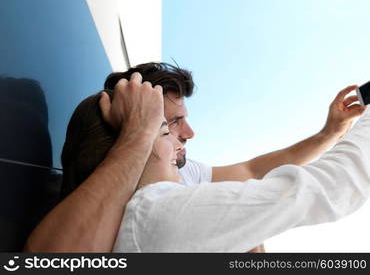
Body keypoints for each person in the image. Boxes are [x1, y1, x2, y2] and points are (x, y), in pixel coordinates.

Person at [24, 62, 362, 252]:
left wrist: (329, 133)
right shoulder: (151, 207)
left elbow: (252, 169)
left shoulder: (181, 173)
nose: (188, 133)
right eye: (169, 124)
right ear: (133, 129)